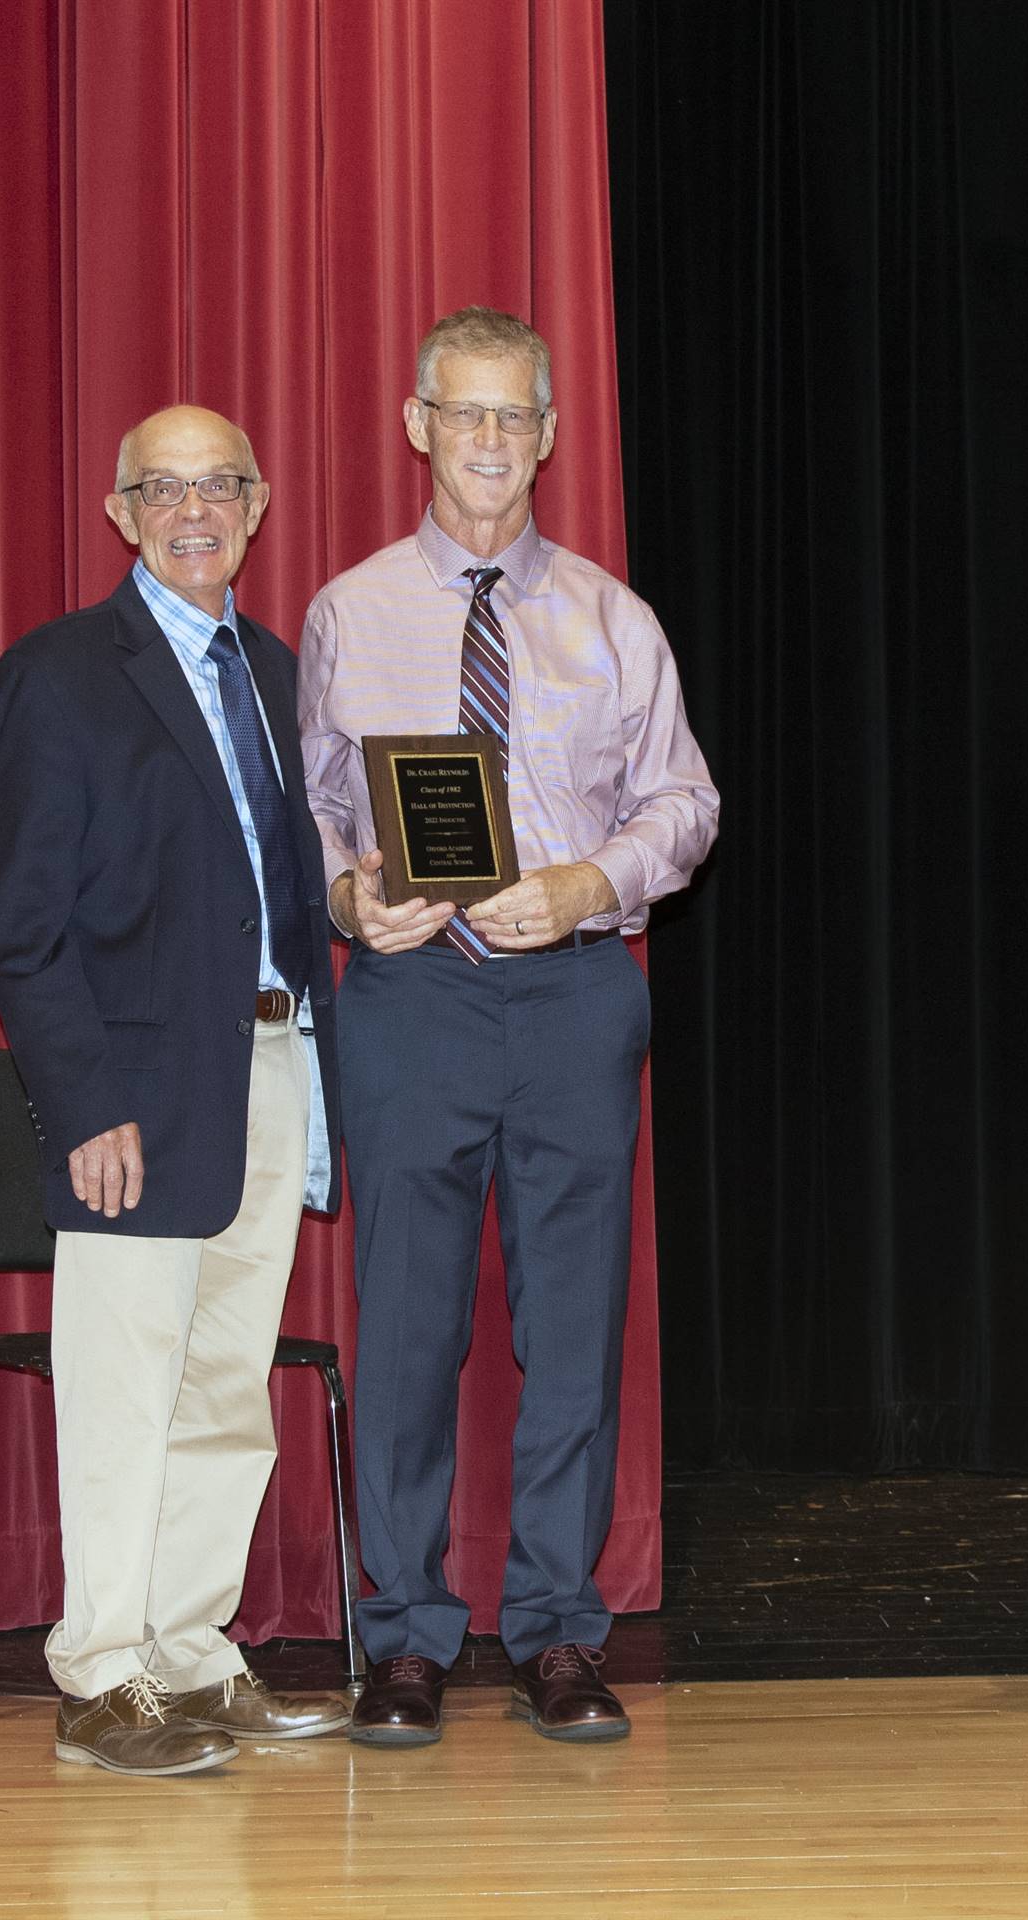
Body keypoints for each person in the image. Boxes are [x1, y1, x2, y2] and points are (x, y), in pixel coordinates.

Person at [298, 307, 719, 1746]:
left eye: (512, 418)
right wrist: (355, 901)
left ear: (547, 435)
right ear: (417, 424)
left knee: (574, 1331)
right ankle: (406, 1639)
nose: (486, 442)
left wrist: (596, 879)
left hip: (574, 1001)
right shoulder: (349, 611)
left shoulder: (617, 619)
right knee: (407, 1329)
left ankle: (553, 1630)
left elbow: (687, 805)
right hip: (412, 1000)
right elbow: (312, 820)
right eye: (461, 414)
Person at [0, 405, 347, 1776]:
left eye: (221, 487)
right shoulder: (62, 675)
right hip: (134, 1094)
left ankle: (191, 1658)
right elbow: (21, 924)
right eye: (163, 490)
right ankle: (100, 1673)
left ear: (255, 507)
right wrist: (85, 1105)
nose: (196, 511)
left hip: (273, 1063)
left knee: (223, 1388)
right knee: (125, 1389)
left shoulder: (275, 668)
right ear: (121, 515)